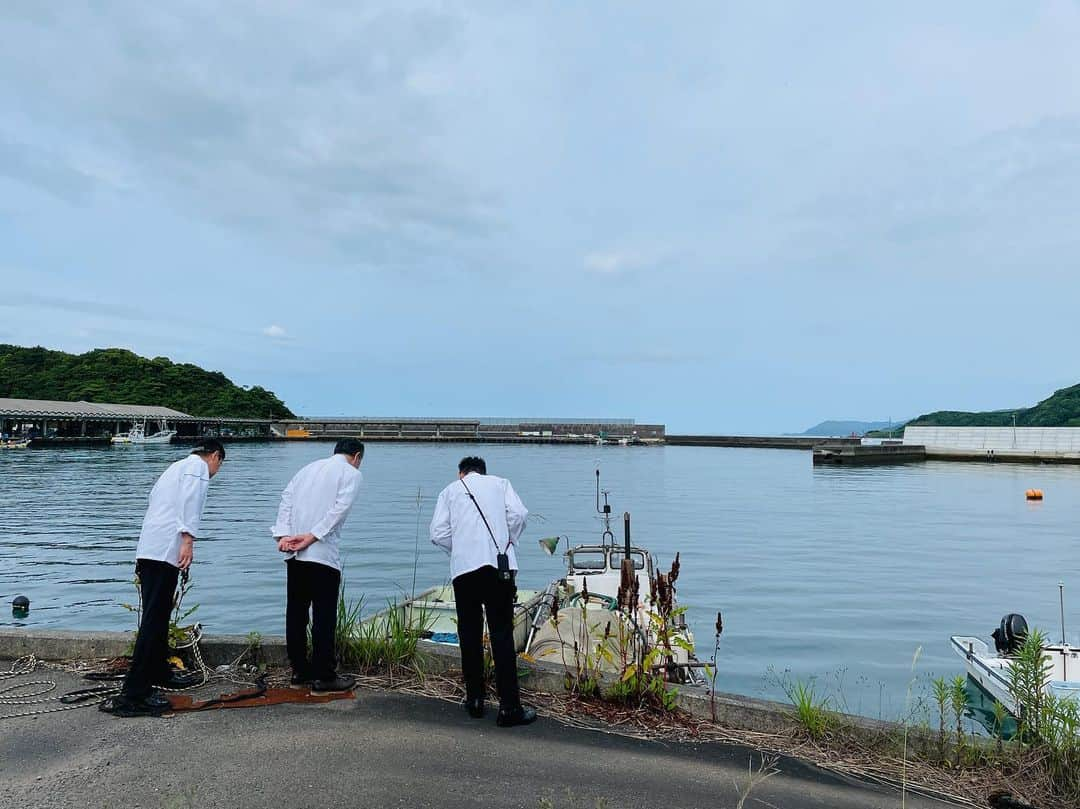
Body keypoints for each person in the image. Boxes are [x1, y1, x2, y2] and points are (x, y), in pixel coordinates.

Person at [102, 439, 225, 717]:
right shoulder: (198, 470)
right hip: (164, 552)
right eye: (219, 465)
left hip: (150, 549)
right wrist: (188, 541)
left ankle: (158, 671)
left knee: (157, 617)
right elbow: (190, 505)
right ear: (215, 456)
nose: (216, 472)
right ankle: (134, 695)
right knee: (154, 620)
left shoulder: (176, 468)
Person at [430, 456, 536, 727]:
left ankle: (475, 700)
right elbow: (520, 514)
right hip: (499, 568)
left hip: (464, 570)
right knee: (501, 634)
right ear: (484, 472)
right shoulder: (500, 484)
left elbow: (438, 533)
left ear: (460, 473)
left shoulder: (449, 491)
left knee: (469, 633)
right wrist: (508, 539)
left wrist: (463, 546)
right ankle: (509, 707)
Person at [271, 439, 364, 694]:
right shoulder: (351, 474)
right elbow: (339, 510)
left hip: (295, 555)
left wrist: (283, 536)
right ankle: (324, 675)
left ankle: (300, 671)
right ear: (356, 456)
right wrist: (312, 536)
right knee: (324, 615)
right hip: (322, 554)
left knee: (296, 613)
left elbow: (286, 501)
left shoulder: (307, 469)